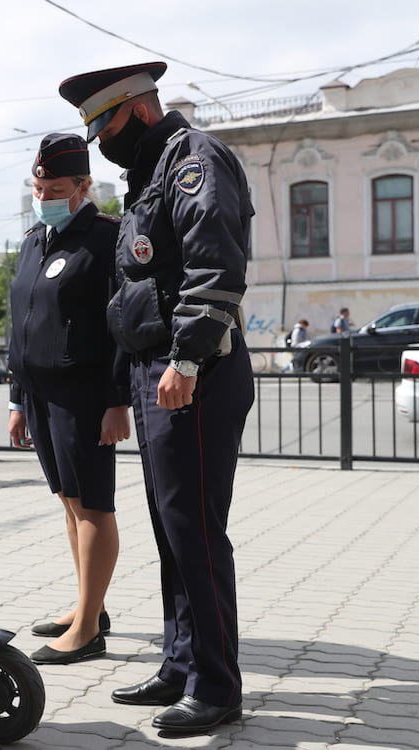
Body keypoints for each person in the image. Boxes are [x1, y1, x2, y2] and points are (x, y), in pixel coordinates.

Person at [59, 61, 254, 733]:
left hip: (193, 372)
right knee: (174, 531)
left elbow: (216, 263)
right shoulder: (151, 173)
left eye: (104, 125)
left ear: (137, 111)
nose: (101, 142)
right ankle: (180, 663)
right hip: (158, 373)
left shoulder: (194, 160)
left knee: (196, 533)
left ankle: (218, 685)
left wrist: (189, 357)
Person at [7, 133, 132, 666]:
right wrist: (16, 399)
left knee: (93, 507)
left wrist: (116, 400)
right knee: (69, 501)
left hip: (84, 394)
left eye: (55, 187)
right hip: (40, 392)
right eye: (38, 186)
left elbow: (122, 326)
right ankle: (89, 604)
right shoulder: (37, 238)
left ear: (84, 186)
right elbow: (20, 320)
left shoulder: (107, 238)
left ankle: (87, 629)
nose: (44, 195)